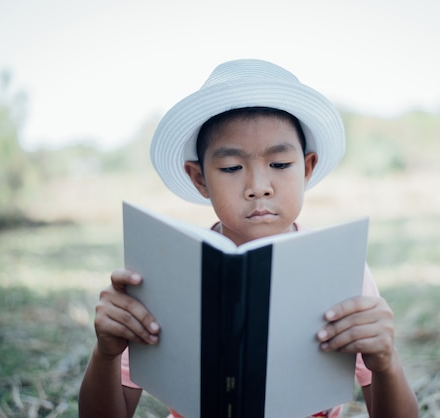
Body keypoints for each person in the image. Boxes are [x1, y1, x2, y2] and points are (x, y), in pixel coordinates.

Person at [79, 59, 418, 418]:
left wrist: (386, 363)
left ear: (307, 168)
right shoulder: (165, 273)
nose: (258, 187)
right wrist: (106, 353)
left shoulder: (341, 272)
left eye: (280, 165)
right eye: (231, 168)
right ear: (199, 179)